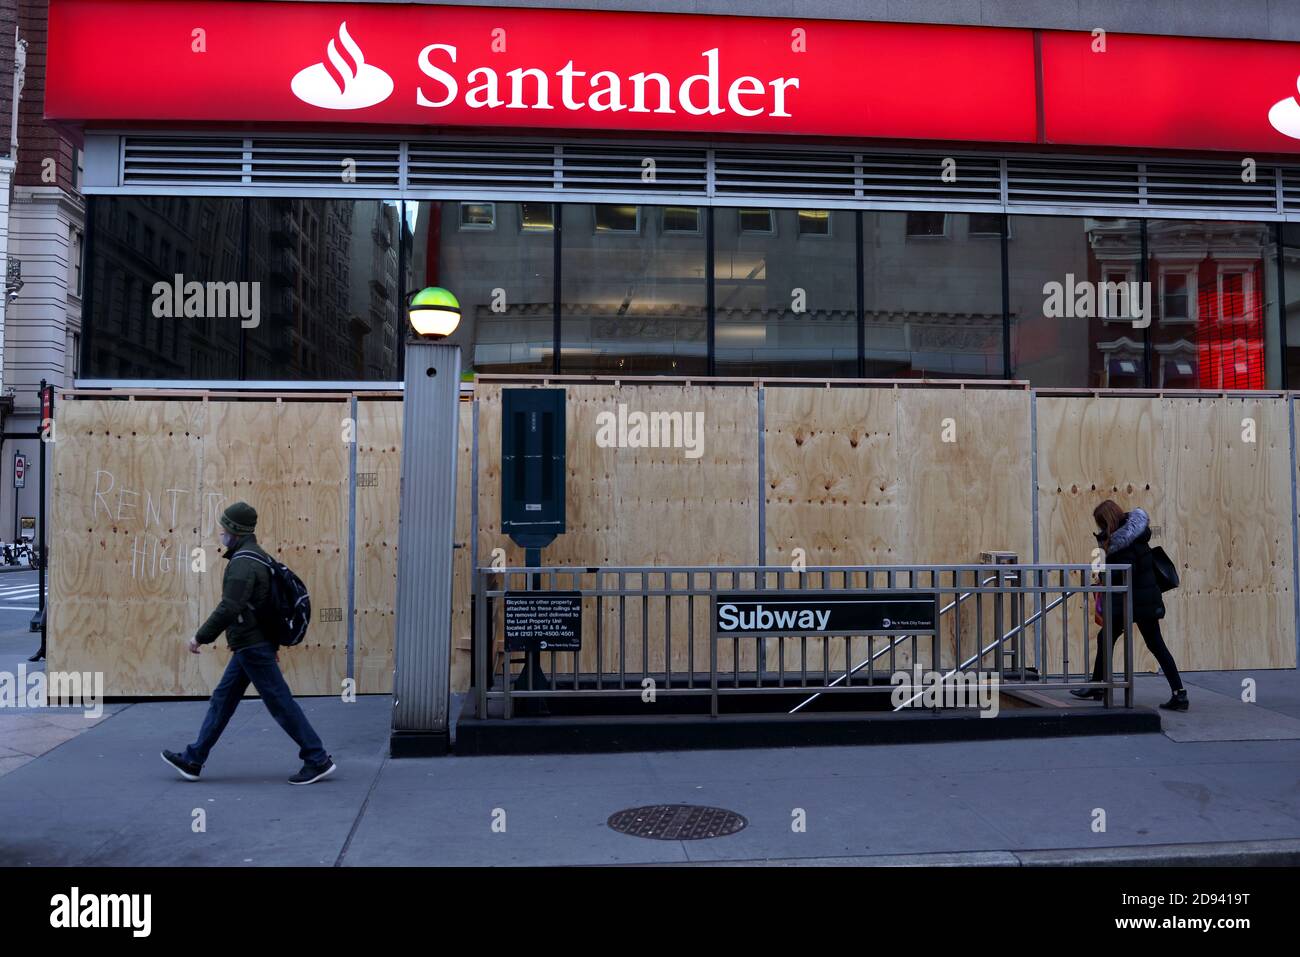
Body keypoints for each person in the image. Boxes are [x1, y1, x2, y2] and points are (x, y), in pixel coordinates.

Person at [162, 502, 337, 784]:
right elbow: (265, 607)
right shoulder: (256, 556)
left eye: (224, 528)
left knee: (279, 702)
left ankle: (317, 757)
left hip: (252, 647)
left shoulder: (243, 564)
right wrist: (272, 644)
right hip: (252, 645)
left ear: (235, 530)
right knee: (223, 700)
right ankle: (194, 759)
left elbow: (229, 608)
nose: (221, 533)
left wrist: (200, 637)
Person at [1072, 499, 1189, 711]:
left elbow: (1125, 571)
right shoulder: (1133, 536)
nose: (1100, 529)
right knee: (1121, 639)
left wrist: (1103, 576)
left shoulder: (1122, 543)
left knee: (1146, 643)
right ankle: (1179, 693)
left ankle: (1098, 685)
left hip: (1135, 602)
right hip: (1141, 600)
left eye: (1101, 524)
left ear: (1107, 522)